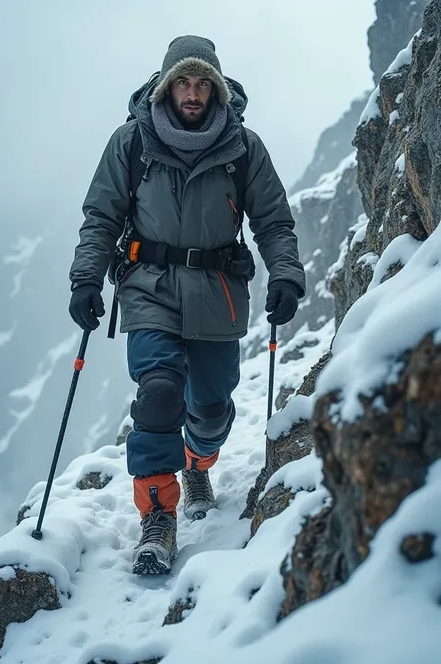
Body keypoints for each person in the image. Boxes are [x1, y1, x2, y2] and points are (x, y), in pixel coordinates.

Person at [69, 35, 306, 575]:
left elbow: (273, 221)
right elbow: (101, 217)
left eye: (202, 84)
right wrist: (86, 279)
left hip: (218, 292)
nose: (193, 93)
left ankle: (198, 463)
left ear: (216, 89)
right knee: (157, 395)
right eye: (184, 82)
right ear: (166, 85)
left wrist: (286, 276)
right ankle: (157, 520)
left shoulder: (244, 148)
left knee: (212, 407)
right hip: (148, 287)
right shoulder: (131, 143)